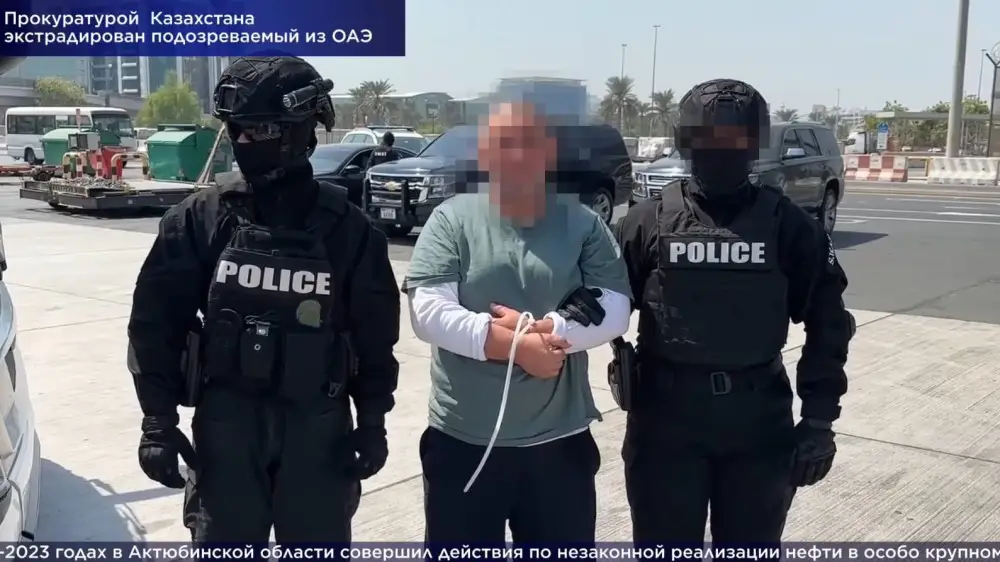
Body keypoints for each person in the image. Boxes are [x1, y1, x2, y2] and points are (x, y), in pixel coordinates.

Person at [126, 56, 400, 543]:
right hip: (227, 429)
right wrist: (157, 422)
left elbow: (375, 337)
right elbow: (155, 325)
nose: (243, 141)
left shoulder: (349, 231)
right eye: (236, 129)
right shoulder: (201, 217)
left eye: (260, 130)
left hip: (318, 432)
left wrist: (373, 422)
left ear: (301, 131)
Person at [614, 78, 853, 544]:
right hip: (665, 423)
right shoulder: (646, 222)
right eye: (709, 141)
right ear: (686, 143)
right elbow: (606, 305)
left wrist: (819, 420)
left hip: (756, 424)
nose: (722, 153)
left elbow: (830, 325)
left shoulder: (789, 226)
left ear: (755, 144)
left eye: (735, 141)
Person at [401, 102, 633, 546]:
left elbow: (614, 305)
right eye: (504, 144)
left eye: (530, 143)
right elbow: (428, 310)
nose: (517, 155)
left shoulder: (583, 223)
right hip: (465, 442)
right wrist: (515, 347)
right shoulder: (451, 219)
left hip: (559, 446)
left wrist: (555, 331)